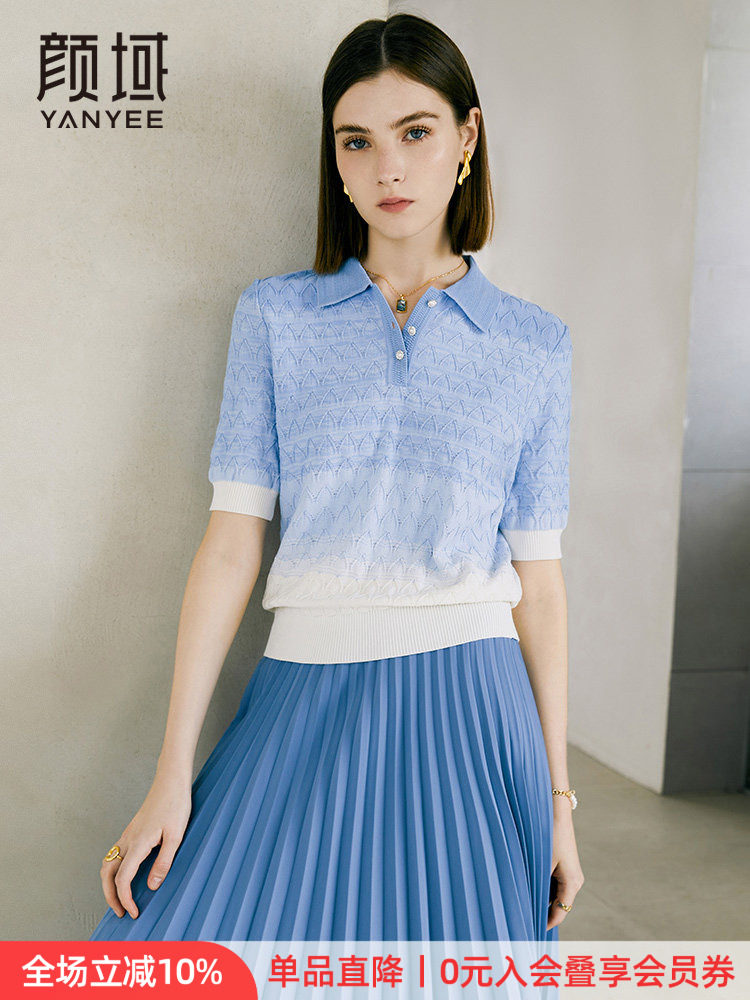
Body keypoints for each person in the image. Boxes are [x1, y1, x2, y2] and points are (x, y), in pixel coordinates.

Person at [90, 12, 584, 944]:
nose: (388, 168)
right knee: (163, 951)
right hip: (302, 689)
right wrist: (171, 773)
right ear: (336, 159)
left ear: (467, 138)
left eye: (415, 132)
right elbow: (232, 544)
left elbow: (541, 581)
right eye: (357, 141)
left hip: (476, 711)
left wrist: (560, 800)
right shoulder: (276, 317)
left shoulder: (535, 345)